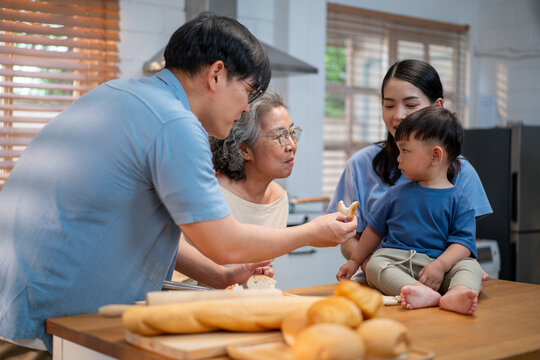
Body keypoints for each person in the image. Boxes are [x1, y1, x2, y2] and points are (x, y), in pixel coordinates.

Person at [0, 12, 357, 356]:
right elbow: (225, 242)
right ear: (216, 74)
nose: (247, 109)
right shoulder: (175, 124)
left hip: (16, 301)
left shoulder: (120, 94)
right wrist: (311, 232)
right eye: (247, 91)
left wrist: (220, 276)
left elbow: (139, 224)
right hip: (45, 318)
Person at [327, 59, 492, 270]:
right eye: (389, 105)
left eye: (411, 105)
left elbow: (463, 240)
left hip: (439, 282)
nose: (398, 115)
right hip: (380, 281)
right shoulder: (360, 165)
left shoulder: (462, 172)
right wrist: (374, 268)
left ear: (437, 107)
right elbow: (348, 238)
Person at [337, 106, 482, 315]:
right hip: (398, 262)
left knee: (471, 267)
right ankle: (419, 291)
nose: (398, 158)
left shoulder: (459, 201)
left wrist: (440, 266)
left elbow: (463, 244)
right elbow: (373, 232)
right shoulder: (395, 194)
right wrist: (354, 261)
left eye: (405, 150)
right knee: (375, 264)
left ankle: (457, 293)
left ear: (435, 156)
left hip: (439, 267)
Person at [175, 87, 298, 285]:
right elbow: (178, 250)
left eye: (292, 133)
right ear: (244, 149)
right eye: (279, 136)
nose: (292, 144)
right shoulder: (209, 192)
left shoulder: (279, 199)